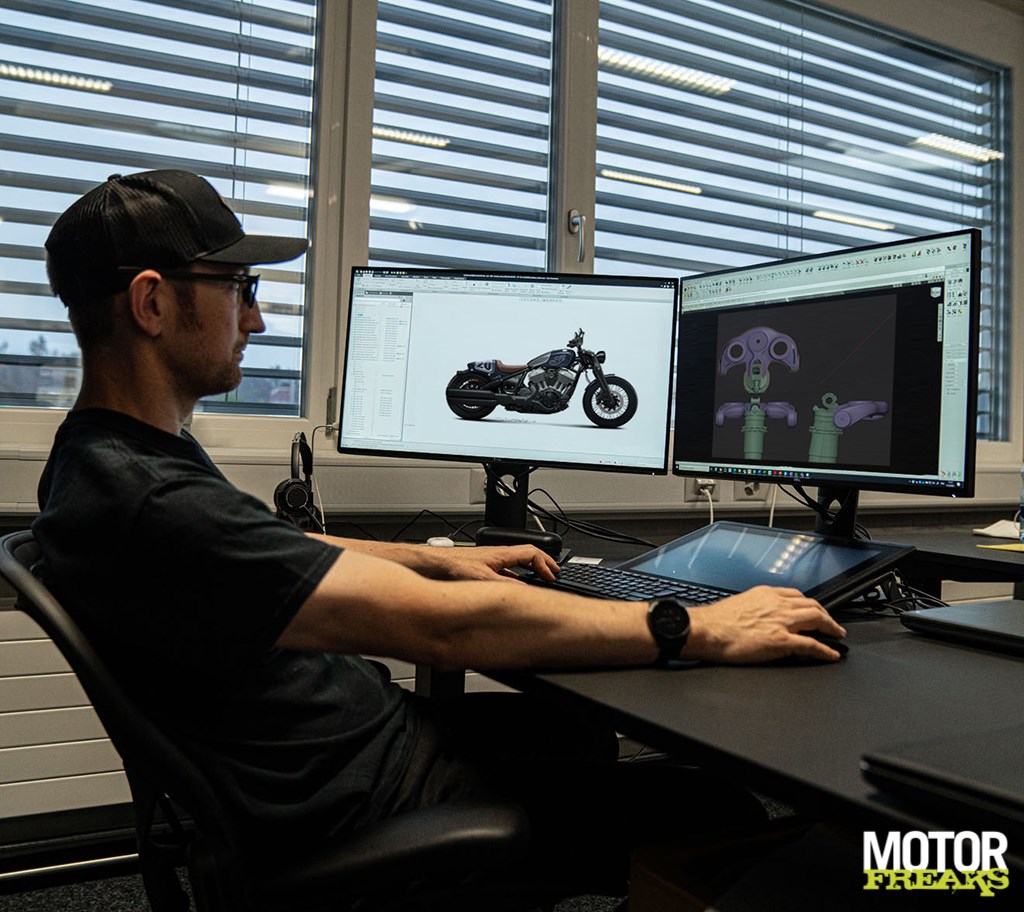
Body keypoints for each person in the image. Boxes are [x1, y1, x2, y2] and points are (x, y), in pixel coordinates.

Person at [34, 170, 846, 902]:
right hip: (370, 801)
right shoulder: (153, 500)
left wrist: (441, 560)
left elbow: (275, 558)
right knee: (714, 807)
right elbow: (445, 631)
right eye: (238, 287)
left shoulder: (108, 460)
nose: (256, 316)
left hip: (339, 757)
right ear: (151, 304)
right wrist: (693, 625)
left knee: (574, 728)